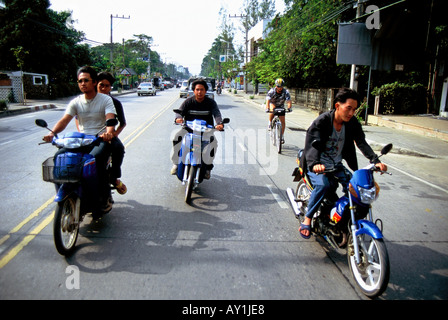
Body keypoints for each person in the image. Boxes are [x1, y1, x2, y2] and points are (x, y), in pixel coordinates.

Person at [298, 87, 388, 239]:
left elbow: (361, 142)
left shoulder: (352, 123)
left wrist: (375, 160)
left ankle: (343, 221)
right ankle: (307, 218)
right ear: (337, 106)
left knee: (357, 190)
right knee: (323, 185)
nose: (352, 113)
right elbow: (312, 143)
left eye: (354, 109)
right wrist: (314, 163)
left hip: (336, 165)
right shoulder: (323, 121)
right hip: (318, 165)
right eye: (348, 108)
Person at [43, 66, 116, 208]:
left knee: (96, 160)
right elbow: (64, 120)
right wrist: (52, 133)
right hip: (81, 140)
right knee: (59, 157)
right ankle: (65, 193)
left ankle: (102, 196)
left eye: (86, 80)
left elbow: (110, 119)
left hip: (99, 139)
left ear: (94, 82)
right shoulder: (76, 102)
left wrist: (108, 132)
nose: (83, 83)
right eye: (80, 81)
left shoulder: (105, 100)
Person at [171, 79, 224, 179]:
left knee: (214, 143)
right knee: (177, 137)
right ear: (194, 91)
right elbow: (179, 112)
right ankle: (176, 163)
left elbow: (217, 114)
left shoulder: (211, 103)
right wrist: (178, 118)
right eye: (197, 89)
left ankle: (208, 168)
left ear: (205, 91)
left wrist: (219, 123)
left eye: (202, 90)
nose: (199, 92)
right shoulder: (188, 102)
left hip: (206, 131)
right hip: (188, 129)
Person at [96, 72, 127, 195]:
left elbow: (123, 123)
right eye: (101, 85)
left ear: (110, 87)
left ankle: (114, 177)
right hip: (89, 136)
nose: (103, 88)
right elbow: (77, 118)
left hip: (108, 136)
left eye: (107, 86)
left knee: (118, 148)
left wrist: (113, 134)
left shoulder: (115, 103)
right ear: (95, 85)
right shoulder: (88, 100)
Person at [266, 78, 292, 144]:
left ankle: (281, 136)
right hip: (273, 103)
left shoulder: (285, 92)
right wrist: (267, 108)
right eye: (278, 86)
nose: (279, 88)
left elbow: (288, 101)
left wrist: (289, 107)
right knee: (273, 109)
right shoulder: (272, 91)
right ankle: (269, 123)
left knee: (283, 121)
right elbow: (268, 100)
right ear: (276, 86)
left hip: (281, 105)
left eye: (281, 86)